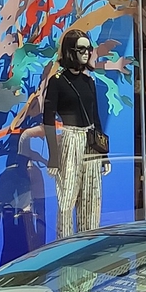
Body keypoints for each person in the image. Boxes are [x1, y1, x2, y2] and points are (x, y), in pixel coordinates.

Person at [42, 28, 106, 240]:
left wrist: (103, 153)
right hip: (70, 139)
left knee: (91, 199)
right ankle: (66, 247)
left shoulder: (89, 81)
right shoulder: (57, 81)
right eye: (81, 49)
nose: (86, 53)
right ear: (71, 50)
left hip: (90, 142)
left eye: (89, 48)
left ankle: (88, 246)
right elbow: (48, 120)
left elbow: (95, 116)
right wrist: (53, 157)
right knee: (66, 200)